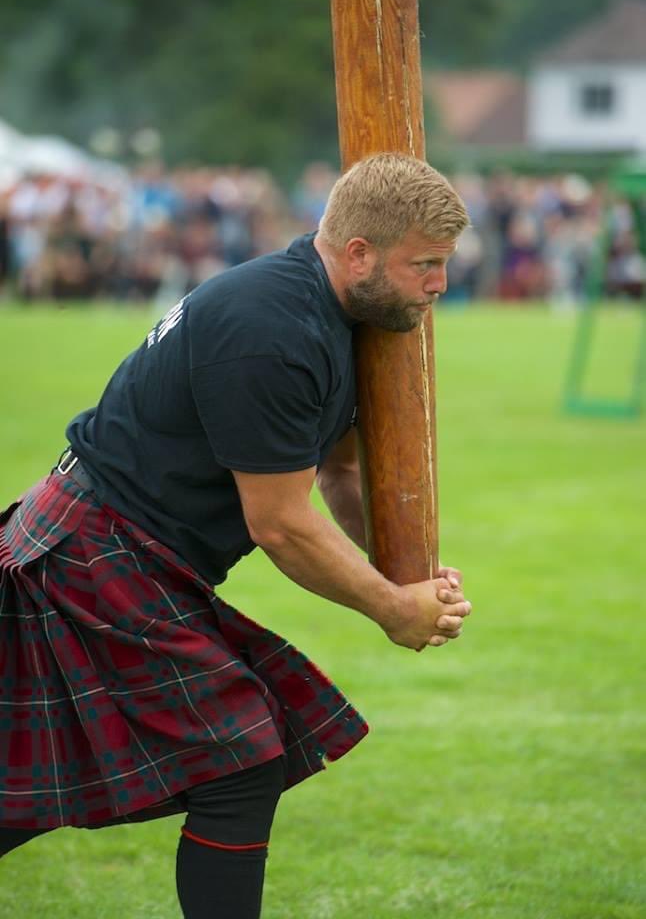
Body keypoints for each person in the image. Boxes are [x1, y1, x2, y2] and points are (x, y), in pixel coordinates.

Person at [0, 152, 471, 918]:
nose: (439, 284)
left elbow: (340, 475)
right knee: (240, 757)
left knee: (25, 782)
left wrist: (404, 572)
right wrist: (391, 608)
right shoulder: (273, 331)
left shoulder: (338, 319)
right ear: (359, 253)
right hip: (98, 546)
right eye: (425, 264)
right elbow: (280, 525)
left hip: (115, 547)